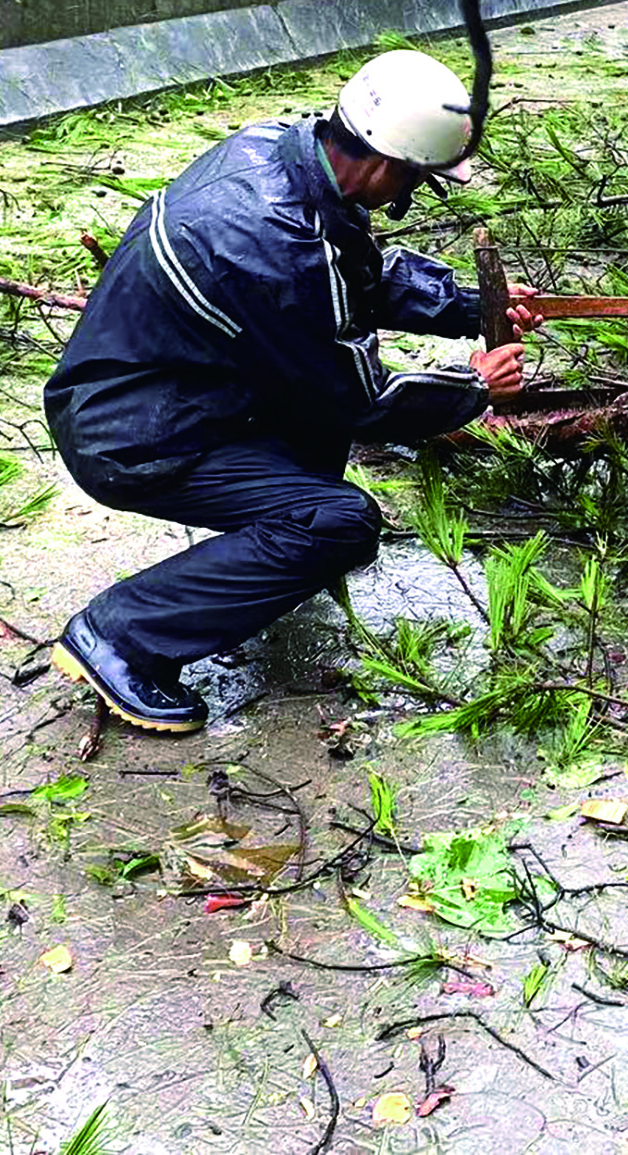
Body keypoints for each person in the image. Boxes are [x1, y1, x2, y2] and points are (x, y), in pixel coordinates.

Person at [42, 49, 533, 731]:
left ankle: (267, 562)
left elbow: (353, 273)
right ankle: (123, 633)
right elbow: (360, 398)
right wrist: (474, 386)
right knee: (342, 521)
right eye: (415, 183)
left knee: (312, 439)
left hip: (157, 389)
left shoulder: (283, 153)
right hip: (132, 435)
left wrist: (471, 304)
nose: (404, 201)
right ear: (390, 165)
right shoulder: (274, 246)